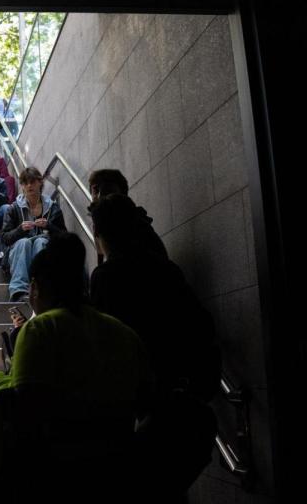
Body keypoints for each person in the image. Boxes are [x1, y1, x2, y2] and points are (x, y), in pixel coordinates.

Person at [0, 233, 151, 502]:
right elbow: (145, 398)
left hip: (53, 467)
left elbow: (27, 404)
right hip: (115, 462)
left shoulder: (40, 328)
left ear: (35, 288)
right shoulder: (122, 332)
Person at [89, 193, 220, 499]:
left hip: (146, 403)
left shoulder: (106, 277)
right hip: (183, 398)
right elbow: (198, 324)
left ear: (98, 233)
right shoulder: (165, 268)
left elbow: (105, 342)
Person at [0, 167, 66, 302]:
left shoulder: (52, 208)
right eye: (25, 183)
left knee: (41, 241)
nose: (29, 186)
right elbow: (5, 238)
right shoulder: (13, 208)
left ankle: (42, 288)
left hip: (44, 250)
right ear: (22, 186)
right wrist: (20, 230)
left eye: (32, 182)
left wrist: (49, 226)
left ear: (40, 183)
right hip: (19, 253)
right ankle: (19, 290)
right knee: (23, 242)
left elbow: (65, 238)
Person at [88, 168, 167, 260]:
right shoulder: (101, 224)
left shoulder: (139, 226)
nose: (100, 195)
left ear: (122, 194)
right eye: (96, 190)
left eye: (107, 189)